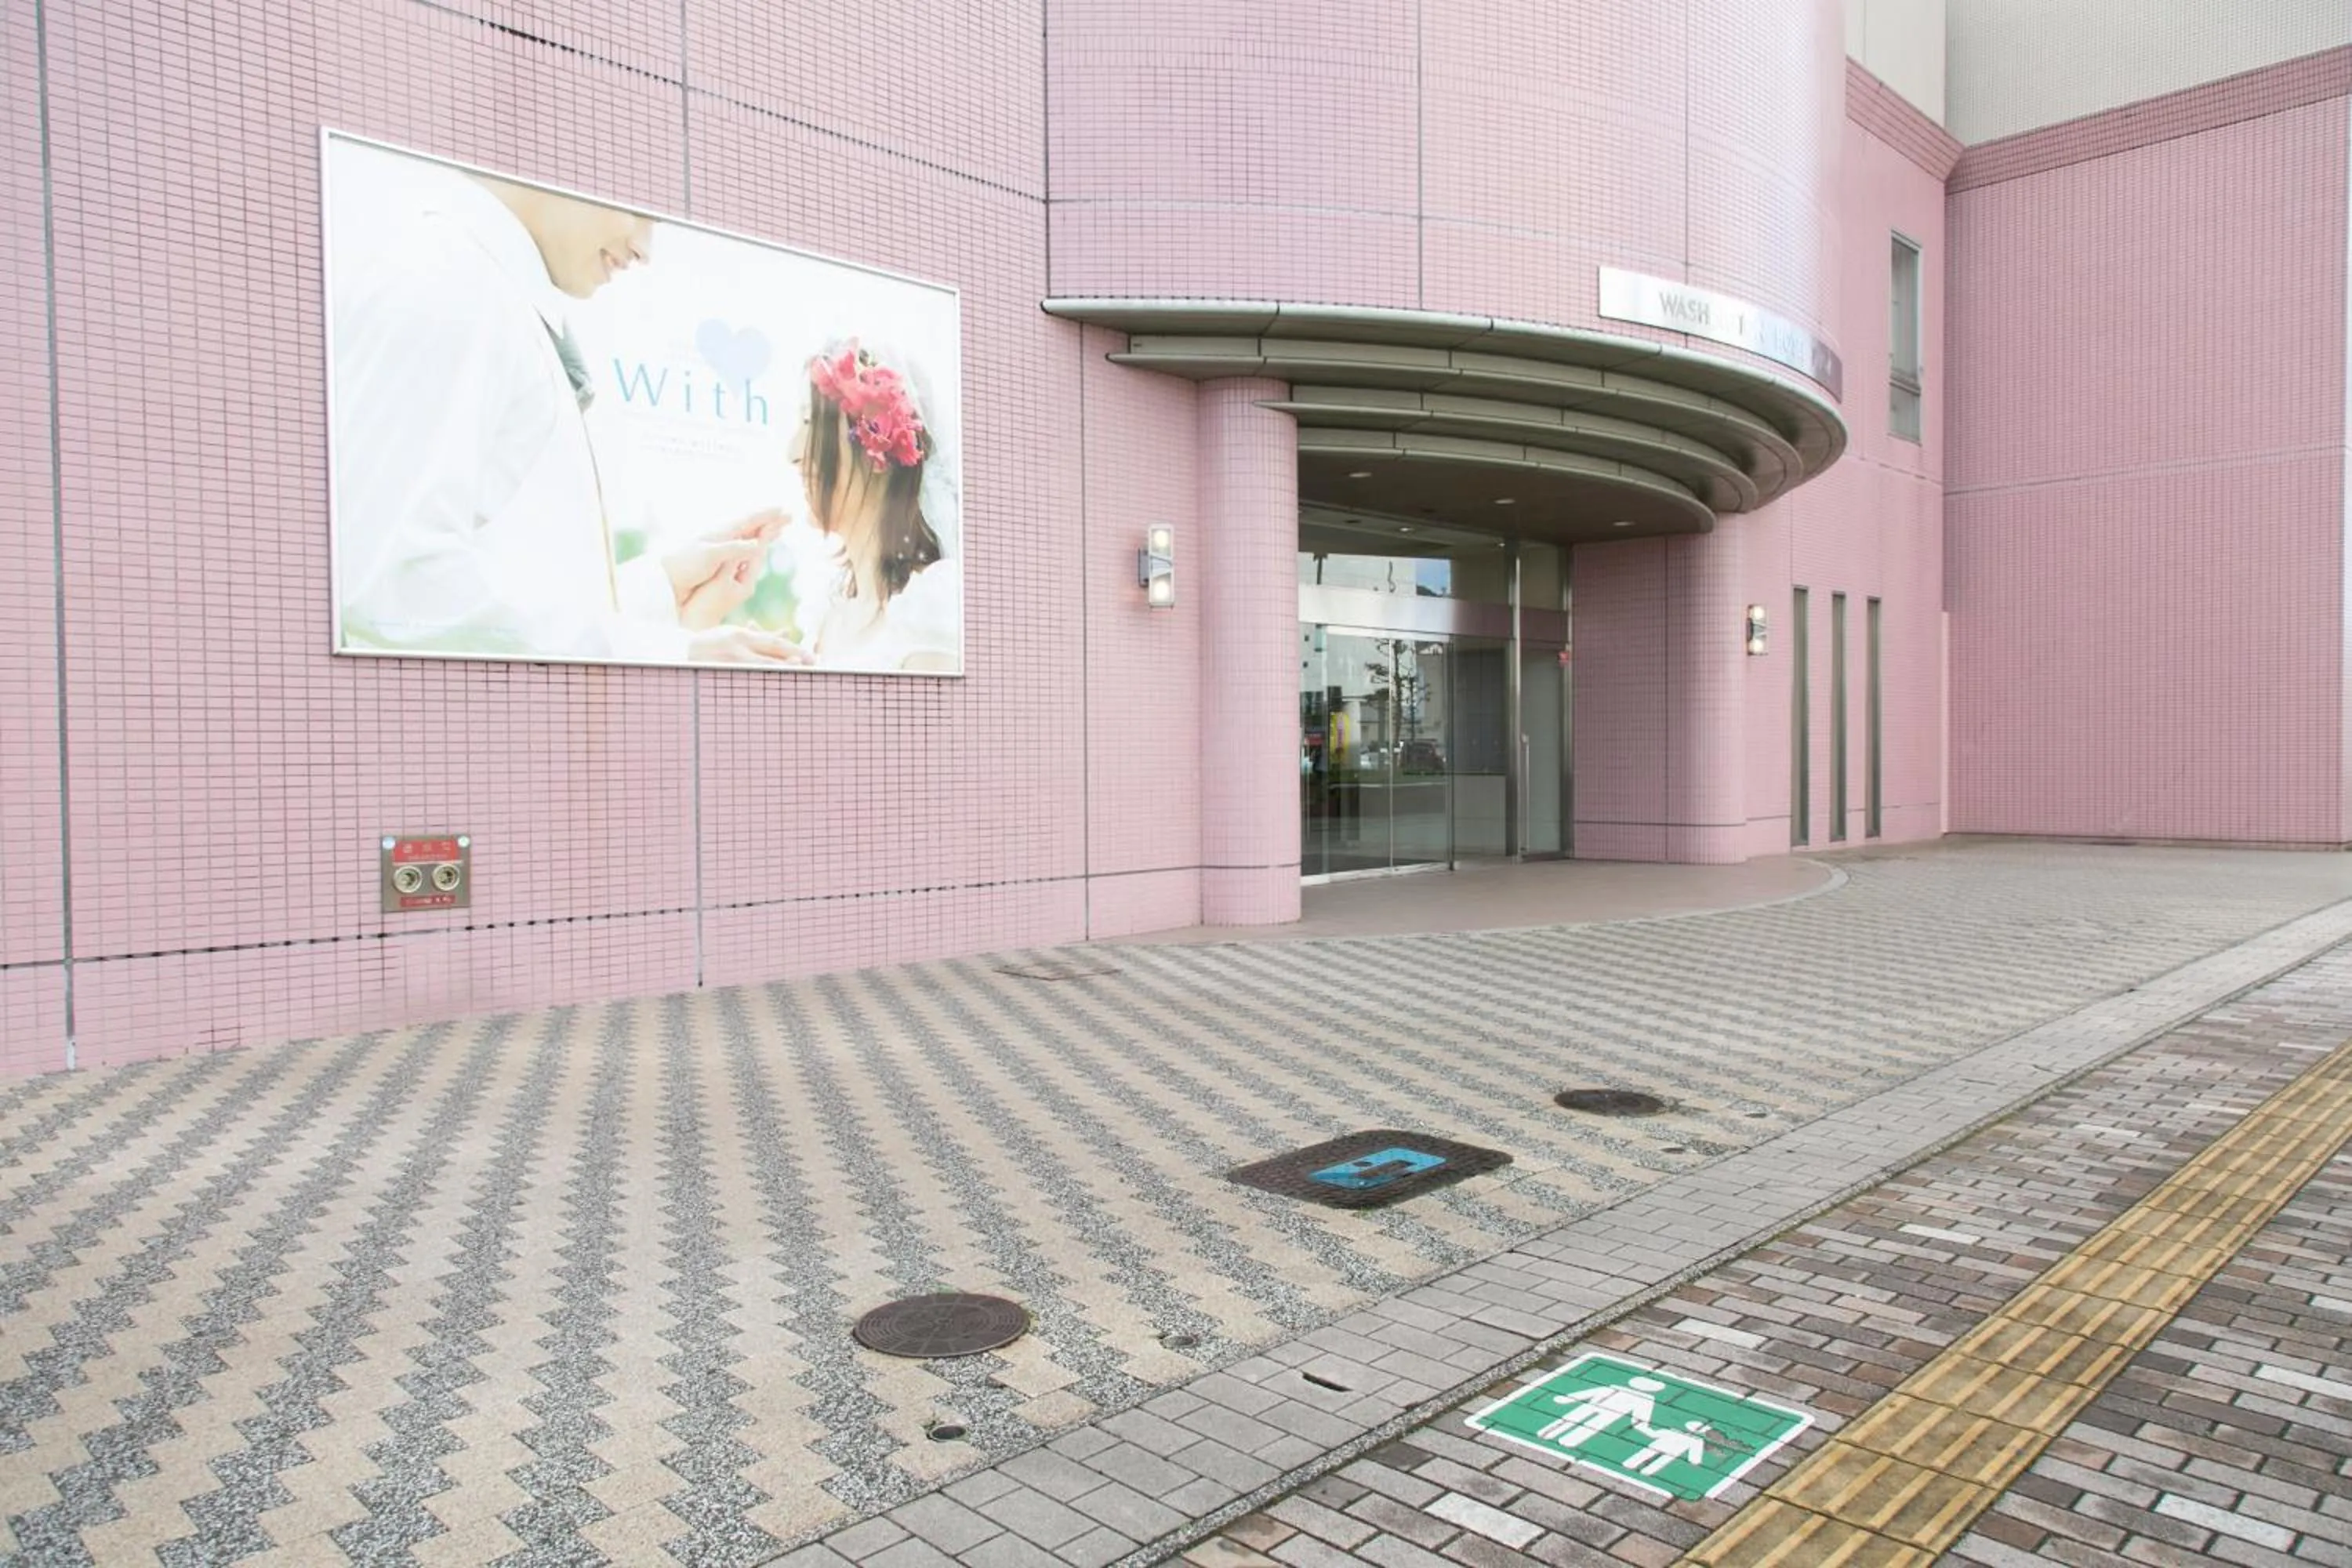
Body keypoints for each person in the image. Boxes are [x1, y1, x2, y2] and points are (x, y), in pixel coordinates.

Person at [329, 150, 805, 666]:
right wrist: (672, 651)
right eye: (641, 209)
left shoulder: (484, 289)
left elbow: (504, 586)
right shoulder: (448, 284)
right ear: (562, 149)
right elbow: (389, 586)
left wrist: (663, 586)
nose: (644, 248)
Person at [788, 340, 960, 673]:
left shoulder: (934, 606)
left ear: (875, 440)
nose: (793, 452)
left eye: (809, 424)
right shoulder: (824, 615)